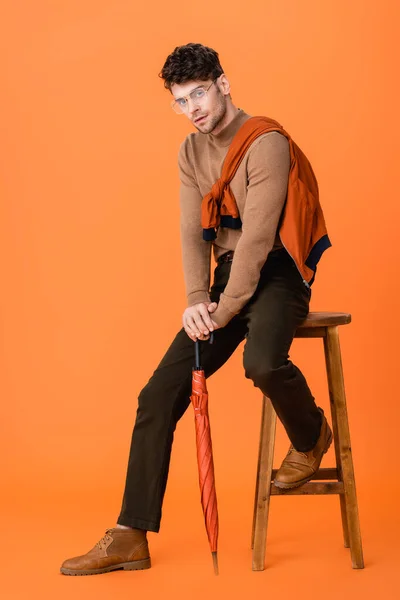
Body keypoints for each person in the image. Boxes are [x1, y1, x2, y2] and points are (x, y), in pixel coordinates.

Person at [60, 42, 332, 576]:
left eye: (200, 94)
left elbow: (256, 242)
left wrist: (221, 312)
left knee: (262, 363)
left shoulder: (266, 142)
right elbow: (191, 234)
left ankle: (311, 434)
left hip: (279, 273)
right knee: (158, 394)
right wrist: (195, 304)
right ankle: (130, 534)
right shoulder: (189, 151)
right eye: (182, 101)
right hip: (228, 279)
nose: (194, 109)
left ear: (223, 84)